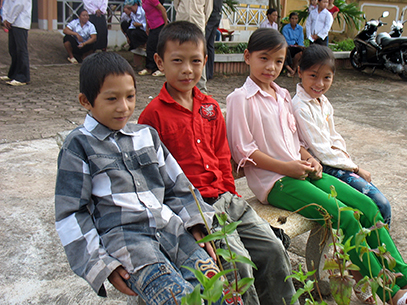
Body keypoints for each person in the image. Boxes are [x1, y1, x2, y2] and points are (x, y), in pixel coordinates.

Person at [226, 28, 407, 305]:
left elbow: (293, 139)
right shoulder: (240, 99)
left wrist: (309, 158)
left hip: (301, 172)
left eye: (279, 61)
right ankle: (389, 293)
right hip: (276, 182)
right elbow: (244, 151)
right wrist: (289, 168)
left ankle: (404, 277)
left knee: (367, 206)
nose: (271, 67)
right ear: (247, 57)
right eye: (264, 59)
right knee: (345, 217)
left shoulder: (281, 95)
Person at [138, 21, 298, 305]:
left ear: (205, 61)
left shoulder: (210, 107)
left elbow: (223, 156)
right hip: (194, 207)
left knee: (273, 248)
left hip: (227, 199)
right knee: (238, 265)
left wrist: (230, 194)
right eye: (177, 61)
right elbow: (152, 175)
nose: (188, 69)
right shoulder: (153, 116)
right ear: (160, 62)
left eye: (195, 61)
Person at [54, 52, 224, 305]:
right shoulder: (78, 146)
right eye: (112, 99)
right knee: (178, 300)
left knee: (218, 290)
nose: (124, 107)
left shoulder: (147, 136)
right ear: (86, 101)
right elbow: (71, 213)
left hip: (173, 231)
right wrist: (102, 265)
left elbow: (177, 187)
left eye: (130, 96)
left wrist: (197, 223)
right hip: (131, 247)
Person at [291, 44, 392, 228]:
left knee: (377, 205)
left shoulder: (323, 101)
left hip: (336, 163)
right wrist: (355, 168)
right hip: (321, 167)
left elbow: (333, 137)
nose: (319, 84)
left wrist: (349, 162)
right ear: (300, 71)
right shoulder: (300, 106)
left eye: (326, 77)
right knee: (379, 205)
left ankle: (377, 252)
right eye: (313, 76)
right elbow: (321, 151)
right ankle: (376, 253)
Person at [173, 0, 212, 94]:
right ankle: (177, 85)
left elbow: (208, 9)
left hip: (197, 22)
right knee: (179, 54)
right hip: (182, 21)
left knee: (198, 56)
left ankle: (201, 88)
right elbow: (176, 4)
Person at [1, 0, 31, 86]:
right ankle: (13, 74)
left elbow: (19, 4)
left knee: (21, 50)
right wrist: (5, 18)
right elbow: (6, 4)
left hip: (20, 22)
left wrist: (9, 19)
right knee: (13, 50)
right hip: (11, 22)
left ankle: (23, 77)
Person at [137, 0, 167, 77]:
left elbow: (163, 9)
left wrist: (166, 25)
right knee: (150, 47)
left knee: (157, 47)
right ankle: (149, 67)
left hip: (159, 24)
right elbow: (147, 14)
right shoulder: (143, 1)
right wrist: (147, 26)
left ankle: (161, 69)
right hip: (152, 25)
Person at [281, 12, 304, 77]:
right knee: (287, 51)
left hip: (298, 46)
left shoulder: (300, 28)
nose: (294, 20)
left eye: (296, 18)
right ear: (290, 19)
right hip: (289, 46)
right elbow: (286, 39)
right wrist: (294, 44)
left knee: (301, 53)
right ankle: (290, 70)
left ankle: (293, 69)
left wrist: (299, 45)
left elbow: (301, 39)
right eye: (292, 18)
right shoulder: (286, 28)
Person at [204, 0, 223, 80]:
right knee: (210, 45)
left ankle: (205, 73)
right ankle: (209, 73)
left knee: (204, 44)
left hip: (210, 16)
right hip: (217, 15)